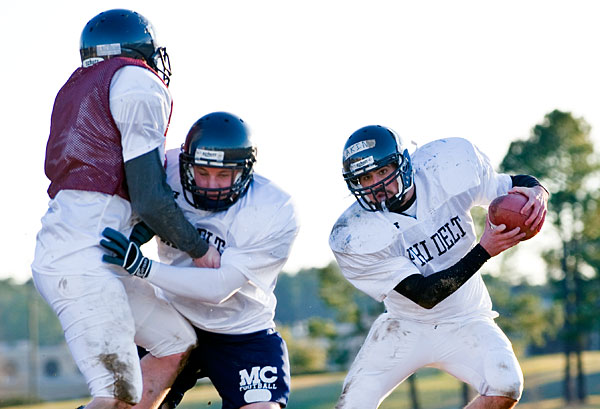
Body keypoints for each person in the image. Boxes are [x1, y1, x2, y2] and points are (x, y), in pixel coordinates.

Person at [31, 9, 217, 409]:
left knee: (176, 342)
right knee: (116, 394)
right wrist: (197, 248)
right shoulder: (136, 80)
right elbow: (149, 198)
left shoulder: (79, 86)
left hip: (87, 251)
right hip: (81, 261)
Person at [328, 125, 549, 409]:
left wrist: (538, 192)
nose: (377, 186)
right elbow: (425, 295)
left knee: (505, 386)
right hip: (404, 327)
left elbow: (512, 183)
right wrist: (485, 250)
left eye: (383, 172)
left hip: (467, 317)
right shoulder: (352, 234)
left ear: (404, 164)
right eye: (365, 178)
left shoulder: (447, 166)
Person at [100, 111, 299, 409]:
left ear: (245, 171)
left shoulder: (273, 208)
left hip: (240, 330)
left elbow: (218, 288)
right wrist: (137, 231)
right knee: (125, 404)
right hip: (173, 318)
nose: (210, 184)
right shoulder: (167, 170)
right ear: (186, 165)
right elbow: (139, 212)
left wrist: (142, 266)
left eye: (223, 175)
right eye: (202, 173)